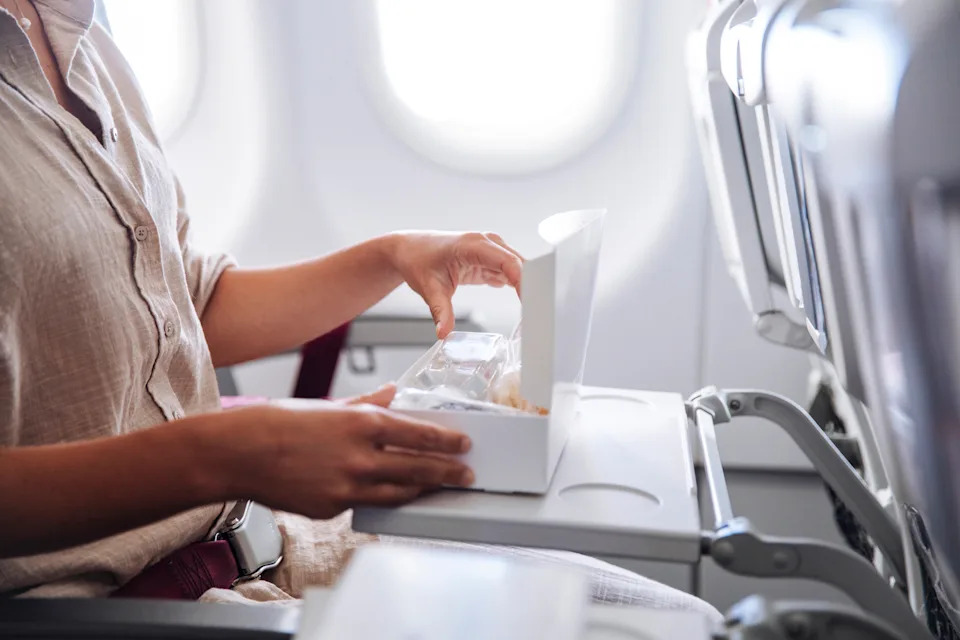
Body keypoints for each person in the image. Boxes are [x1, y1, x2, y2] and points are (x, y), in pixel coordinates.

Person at [0, 0, 720, 622]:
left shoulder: (87, 45)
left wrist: (390, 256)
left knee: (681, 619)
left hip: (254, 538)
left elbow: (187, 305)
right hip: (114, 606)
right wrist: (234, 454)